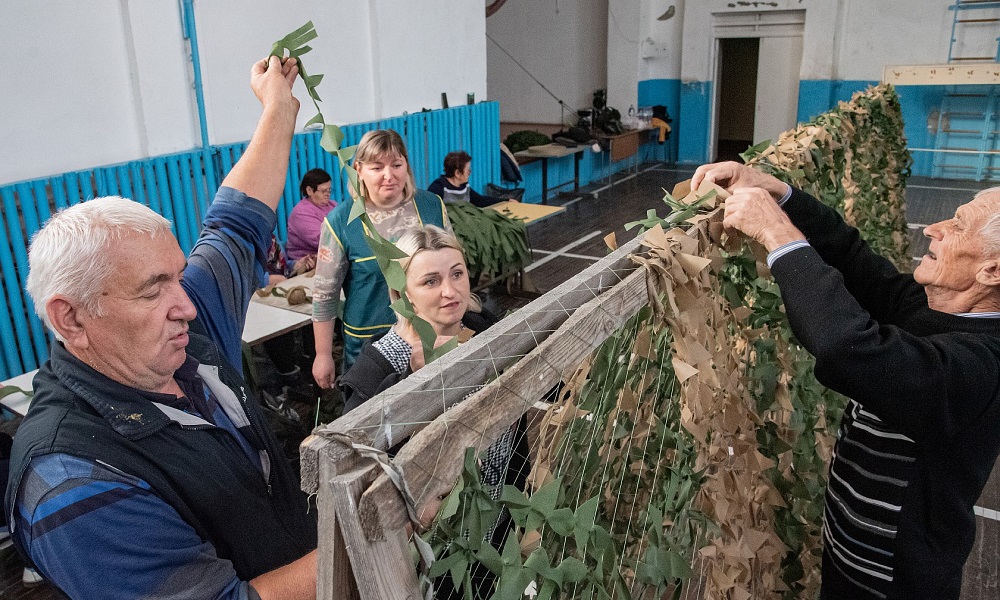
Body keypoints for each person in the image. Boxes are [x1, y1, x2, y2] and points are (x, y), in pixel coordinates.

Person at [5, 56, 318, 600]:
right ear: (71, 317)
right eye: (153, 289)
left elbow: (236, 226)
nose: (188, 305)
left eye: (178, 277)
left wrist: (279, 108)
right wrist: (373, 525)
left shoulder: (181, 344)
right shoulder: (70, 476)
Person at [691, 161, 1000, 600]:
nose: (934, 228)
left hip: (895, 580)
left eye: (958, 225)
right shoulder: (937, 309)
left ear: (992, 272)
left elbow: (847, 347)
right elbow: (855, 262)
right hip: (852, 555)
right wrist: (779, 192)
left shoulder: (983, 366)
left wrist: (779, 236)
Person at [338, 225, 528, 599]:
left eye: (457, 273)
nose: (450, 290)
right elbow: (358, 481)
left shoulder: (481, 328)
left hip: (499, 523)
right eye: (430, 281)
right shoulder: (376, 373)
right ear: (400, 293)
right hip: (434, 558)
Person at [312, 129, 450, 388]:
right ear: (358, 170)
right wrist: (322, 354)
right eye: (377, 168)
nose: (389, 176)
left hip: (430, 337)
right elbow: (324, 296)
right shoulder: (340, 222)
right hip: (370, 346)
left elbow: (453, 270)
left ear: (406, 165)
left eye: (397, 165)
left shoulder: (432, 207)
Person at [285, 168, 334, 271]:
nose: (328, 194)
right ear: (309, 190)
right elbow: (322, 240)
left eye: (329, 190)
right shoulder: (301, 212)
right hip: (306, 264)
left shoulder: (332, 205)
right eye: (323, 191)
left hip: (328, 257)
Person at [427, 151, 509, 207]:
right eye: (468, 170)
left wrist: (506, 201)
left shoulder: (464, 187)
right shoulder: (438, 188)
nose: (469, 173)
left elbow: (480, 200)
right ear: (457, 173)